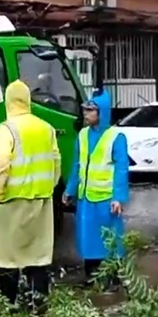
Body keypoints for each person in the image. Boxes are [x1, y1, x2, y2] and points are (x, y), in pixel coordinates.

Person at [0, 80, 60, 313]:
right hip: (41, 204)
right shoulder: (47, 128)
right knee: (38, 259)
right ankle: (39, 311)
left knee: (6, 260)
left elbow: (1, 166)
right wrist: (45, 188)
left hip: (11, 205)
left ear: (8, 101)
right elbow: (56, 164)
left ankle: (9, 310)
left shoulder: (7, 130)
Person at [63, 90, 129, 283]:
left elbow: (122, 169)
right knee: (88, 239)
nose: (86, 113)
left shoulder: (116, 137)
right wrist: (70, 190)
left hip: (107, 200)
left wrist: (118, 198)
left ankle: (113, 278)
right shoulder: (83, 135)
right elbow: (77, 165)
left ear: (102, 112)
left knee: (110, 241)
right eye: (85, 109)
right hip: (86, 199)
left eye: (90, 110)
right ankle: (92, 277)